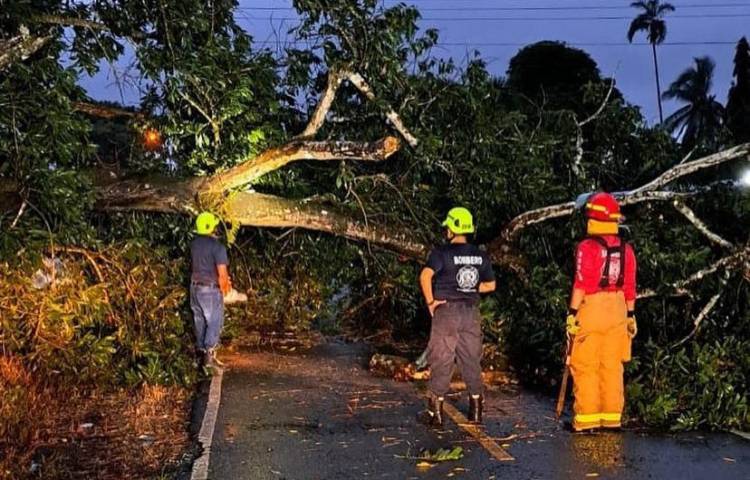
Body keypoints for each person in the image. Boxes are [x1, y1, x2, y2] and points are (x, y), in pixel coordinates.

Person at [566, 192, 638, 432]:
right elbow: (630, 287)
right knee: (612, 366)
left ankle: (586, 421)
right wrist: (630, 316)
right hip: (618, 310)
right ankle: (611, 419)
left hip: (592, 308)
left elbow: (581, 283)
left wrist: (572, 313)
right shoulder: (627, 250)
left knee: (585, 365)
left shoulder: (587, 247)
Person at [419, 207, 496, 427]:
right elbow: (491, 285)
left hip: (447, 311)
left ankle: (435, 413)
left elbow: (425, 276)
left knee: (442, 357)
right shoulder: (480, 256)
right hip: (470, 311)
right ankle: (476, 409)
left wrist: (431, 302)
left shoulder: (441, 253)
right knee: (471, 358)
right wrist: (470, 288)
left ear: (452, 228)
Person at [190, 212, 232, 368]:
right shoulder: (217, 247)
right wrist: (226, 289)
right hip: (210, 290)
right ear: (211, 227)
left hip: (194, 288)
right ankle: (210, 355)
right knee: (214, 321)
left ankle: (200, 355)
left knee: (199, 320)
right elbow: (222, 274)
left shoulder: (194, 244)